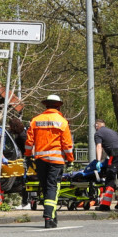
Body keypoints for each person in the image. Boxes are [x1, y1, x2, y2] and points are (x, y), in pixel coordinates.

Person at [26, 94, 73, 229]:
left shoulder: (35, 120)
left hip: (40, 160)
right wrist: (70, 159)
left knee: (45, 186)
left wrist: (28, 156)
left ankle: (51, 215)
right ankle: (49, 216)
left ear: (46, 105)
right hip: (56, 160)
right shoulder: (62, 122)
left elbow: (29, 142)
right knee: (53, 186)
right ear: (58, 106)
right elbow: (67, 144)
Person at [93, 119, 118, 211]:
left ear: (97, 126)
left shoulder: (98, 133)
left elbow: (99, 146)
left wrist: (98, 160)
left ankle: (105, 205)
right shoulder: (113, 131)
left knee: (110, 178)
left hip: (115, 155)